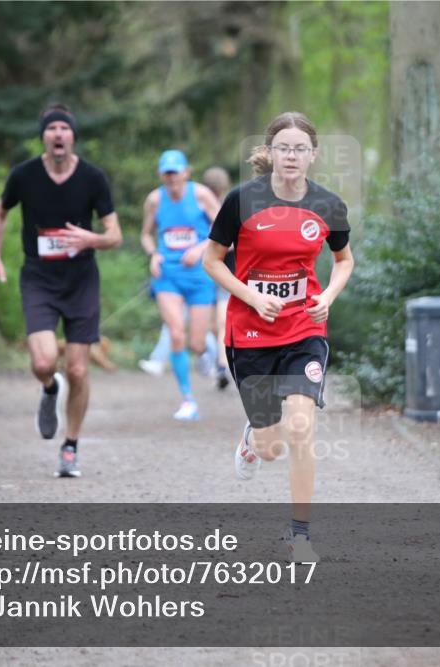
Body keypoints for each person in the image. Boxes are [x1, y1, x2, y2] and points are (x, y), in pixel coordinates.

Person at [203, 112, 354, 562]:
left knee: (303, 426)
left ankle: (299, 533)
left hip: (303, 327)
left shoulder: (327, 204)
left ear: (313, 155)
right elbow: (211, 261)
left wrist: (327, 294)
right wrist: (251, 295)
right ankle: (252, 440)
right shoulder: (242, 201)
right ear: (270, 153)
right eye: (284, 148)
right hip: (249, 332)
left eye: (300, 148)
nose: (292, 156)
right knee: (271, 448)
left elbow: (343, 259)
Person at [0, 103, 122, 478]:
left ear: (73, 137)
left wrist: (89, 239)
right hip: (39, 279)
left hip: (80, 282)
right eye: (51, 128)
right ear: (44, 137)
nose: (58, 133)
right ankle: (48, 390)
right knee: (45, 362)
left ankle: (70, 447)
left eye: (64, 128)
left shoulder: (93, 179)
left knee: (78, 369)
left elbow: (115, 235)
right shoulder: (24, 175)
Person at [140, 150, 221, 420]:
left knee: (197, 343)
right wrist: (154, 254)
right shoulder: (154, 200)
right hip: (168, 276)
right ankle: (188, 400)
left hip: (199, 276)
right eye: (167, 173)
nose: (171, 178)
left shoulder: (200, 195)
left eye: (176, 172)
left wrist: (200, 248)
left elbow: (225, 229)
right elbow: (146, 235)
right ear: (161, 174)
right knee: (176, 334)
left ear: (186, 172)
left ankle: (206, 354)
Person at [201, 166, 235, 390]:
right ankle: (218, 362)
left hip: (223, 270)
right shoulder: (199, 207)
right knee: (215, 324)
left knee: (221, 322)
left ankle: (222, 365)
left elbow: (230, 244)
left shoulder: (228, 207)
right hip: (206, 272)